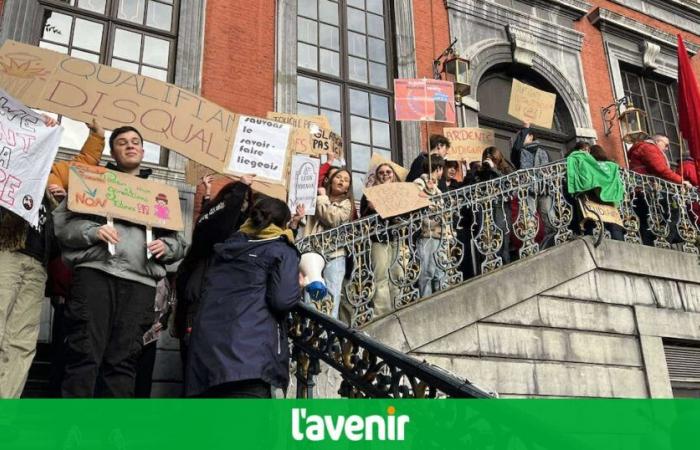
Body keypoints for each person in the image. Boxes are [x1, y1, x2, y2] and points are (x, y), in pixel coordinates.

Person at [53, 125, 186, 398]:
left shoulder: (159, 195)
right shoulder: (90, 182)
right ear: (112, 151)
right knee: (84, 354)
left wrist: (167, 246)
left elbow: (179, 244)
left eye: (135, 141)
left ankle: (111, 433)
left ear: (143, 150)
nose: (130, 145)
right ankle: (73, 432)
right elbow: (63, 227)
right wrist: (92, 232)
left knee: (124, 361)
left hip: (140, 283)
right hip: (95, 275)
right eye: (122, 142)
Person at [185, 197, 301, 398]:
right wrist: (298, 284)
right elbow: (282, 299)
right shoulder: (282, 250)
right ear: (284, 223)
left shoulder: (226, 247)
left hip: (206, 358)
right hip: (250, 359)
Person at [0, 114, 64, 398]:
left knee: (22, 342)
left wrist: (60, 204)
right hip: (7, 253)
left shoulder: (47, 190)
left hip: (37, 264)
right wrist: (35, 125)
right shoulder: (9, 166)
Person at [174, 175, 254, 374]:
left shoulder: (243, 229)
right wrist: (241, 187)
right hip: (200, 295)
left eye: (246, 201)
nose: (242, 205)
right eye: (239, 200)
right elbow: (217, 223)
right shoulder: (213, 226)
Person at [303, 168, 354, 318]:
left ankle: (329, 334)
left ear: (347, 188)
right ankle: (310, 330)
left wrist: (323, 198)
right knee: (311, 291)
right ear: (331, 180)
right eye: (338, 177)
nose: (341, 181)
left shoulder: (347, 204)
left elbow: (333, 219)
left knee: (332, 293)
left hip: (335, 253)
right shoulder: (315, 198)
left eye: (346, 180)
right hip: (312, 252)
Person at [360, 164, 405, 317]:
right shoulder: (368, 194)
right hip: (378, 239)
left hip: (395, 238)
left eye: (388, 172)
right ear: (376, 175)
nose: (385, 175)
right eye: (381, 172)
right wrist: (371, 207)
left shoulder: (400, 192)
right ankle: (383, 314)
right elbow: (363, 219)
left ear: (393, 175)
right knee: (380, 276)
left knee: (397, 274)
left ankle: (398, 307)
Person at [469, 147, 515, 267]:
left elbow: (510, 185)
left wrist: (494, 169)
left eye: (493, 159)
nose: (489, 161)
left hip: (501, 209)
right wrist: (477, 171)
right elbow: (472, 188)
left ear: (498, 159)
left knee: (503, 242)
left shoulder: (505, 169)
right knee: (486, 242)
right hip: (485, 211)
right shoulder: (480, 172)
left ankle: (506, 265)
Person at [511, 123, 555, 248]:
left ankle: (552, 240)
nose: (520, 139)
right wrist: (524, 128)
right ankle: (530, 244)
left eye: (523, 136)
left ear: (531, 136)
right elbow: (516, 148)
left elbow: (550, 169)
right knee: (529, 215)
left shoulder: (543, 152)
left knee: (547, 213)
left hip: (544, 187)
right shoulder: (520, 152)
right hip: (527, 188)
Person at [414, 155, 450, 297]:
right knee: (427, 272)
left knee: (441, 271)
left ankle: (442, 302)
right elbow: (419, 200)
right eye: (442, 168)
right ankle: (426, 302)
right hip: (427, 233)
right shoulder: (419, 182)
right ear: (438, 168)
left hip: (440, 234)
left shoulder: (438, 187)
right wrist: (429, 191)